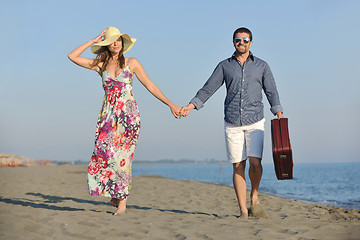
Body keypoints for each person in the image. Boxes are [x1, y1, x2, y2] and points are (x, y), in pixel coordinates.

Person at [68, 27, 181, 215]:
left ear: (122, 42)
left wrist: (170, 104)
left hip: (128, 118)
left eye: (118, 39)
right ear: (106, 44)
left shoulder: (132, 62)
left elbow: (150, 85)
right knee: (103, 154)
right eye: (111, 40)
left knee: (123, 160)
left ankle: (122, 204)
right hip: (107, 116)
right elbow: (72, 56)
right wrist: (93, 40)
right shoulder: (100, 64)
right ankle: (116, 193)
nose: (116, 43)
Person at [180, 27, 283, 219]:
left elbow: (271, 91)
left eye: (245, 40)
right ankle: (243, 211)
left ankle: (254, 196)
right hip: (232, 122)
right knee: (238, 166)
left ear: (251, 43)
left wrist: (278, 112)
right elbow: (208, 88)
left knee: (255, 163)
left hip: (255, 120)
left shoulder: (262, 65)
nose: (241, 43)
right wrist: (190, 106)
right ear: (233, 42)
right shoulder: (224, 66)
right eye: (238, 40)